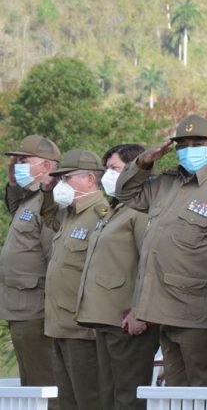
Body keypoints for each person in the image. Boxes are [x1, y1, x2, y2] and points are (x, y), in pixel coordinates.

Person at [117, 114, 207, 387]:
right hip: (162, 307)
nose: (189, 149)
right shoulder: (165, 183)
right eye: (182, 144)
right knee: (176, 391)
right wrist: (144, 161)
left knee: (204, 389)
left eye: (197, 142)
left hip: (199, 309)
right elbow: (126, 195)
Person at [75, 143, 156, 410]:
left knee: (127, 396)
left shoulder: (140, 211)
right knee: (108, 394)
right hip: (105, 317)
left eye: (115, 168)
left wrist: (140, 310)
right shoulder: (114, 209)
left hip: (126, 317)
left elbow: (149, 261)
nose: (108, 175)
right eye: (107, 168)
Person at [45, 150, 110, 410]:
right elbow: (44, 214)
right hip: (59, 324)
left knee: (89, 400)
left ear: (90, 180)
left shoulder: (101, 213)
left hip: (82, 327)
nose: (61, 185)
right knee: (65, 402)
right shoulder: (69, 215)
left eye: (66, 178)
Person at [1, 136, 60, 397]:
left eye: (24, 161)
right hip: (20, 306)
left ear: (46, 166)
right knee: (30, 386)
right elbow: (15, 208)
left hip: (37, 308)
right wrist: (13, 182)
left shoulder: (51, 203)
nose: (17, 165)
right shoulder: (30, 199)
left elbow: (54, 257)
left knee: (43, 385)